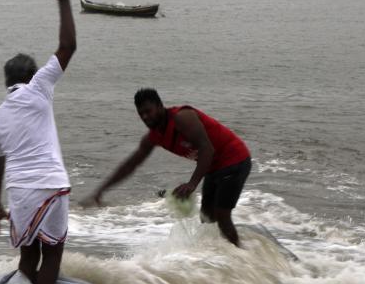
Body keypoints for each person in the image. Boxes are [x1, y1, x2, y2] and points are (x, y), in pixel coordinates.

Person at [0, 0, 75, 284]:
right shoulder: (40, 87)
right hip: (52, 186)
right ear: (31, 75)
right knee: (52, 256)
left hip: (21, 194)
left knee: (28, 257)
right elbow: (68, 47)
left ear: (7, 81)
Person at [82, 89, 251, 247]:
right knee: (206, 218)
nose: (145, 117)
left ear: (160, 106)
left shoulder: (182, 118)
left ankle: (243, 257)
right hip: (214, 168)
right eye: (141, 114)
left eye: (149, 111)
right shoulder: (154, 136)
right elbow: (130, 165)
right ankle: (224, 259)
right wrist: (101, 190)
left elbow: (207, 149)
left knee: (222, 216)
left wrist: (192, 184)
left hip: (235, 160)